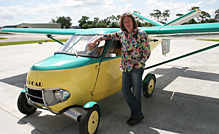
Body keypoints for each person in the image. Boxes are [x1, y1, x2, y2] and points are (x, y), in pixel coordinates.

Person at [88, 13, 151, 125]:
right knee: (125, 91)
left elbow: (147, 51)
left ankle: (136, 115)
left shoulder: (141, 33)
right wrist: (97, 40)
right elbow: (108, 36)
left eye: (129, 21)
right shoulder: (121, 34)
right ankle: (138, 114)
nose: (127, 23)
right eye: (124, 22)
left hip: (136, 67)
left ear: (133, 22)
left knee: (136, 92)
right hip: (125, 67)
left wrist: (140, 64)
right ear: (122, 24)